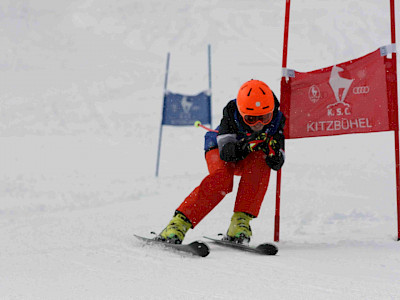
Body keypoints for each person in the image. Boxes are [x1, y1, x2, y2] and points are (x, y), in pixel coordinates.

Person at [157, 79, 286, 244]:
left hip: (247, 156)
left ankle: (240, 223)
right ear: (241, 112)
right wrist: (247, 145)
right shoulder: (231, 113)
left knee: (261, 164)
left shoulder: (277, 120)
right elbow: (227, 154)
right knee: (222, 179)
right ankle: (178, 224)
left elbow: (278, 162)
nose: (259, 124)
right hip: (218, 148)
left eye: (265, 117)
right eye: (251, 119)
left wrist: (274, 154)